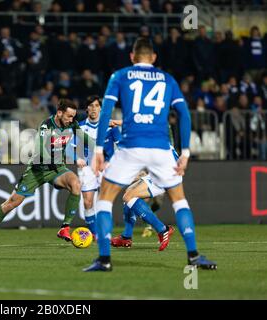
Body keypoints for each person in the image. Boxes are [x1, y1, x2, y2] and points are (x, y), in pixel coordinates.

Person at [84, 38, 217, 271]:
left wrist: (97, 151)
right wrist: (185, 152)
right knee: (180, 201)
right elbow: (184, 115)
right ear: (154, 57)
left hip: (131, 146)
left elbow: (105, 112)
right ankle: (194, 256)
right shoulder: (168, 79)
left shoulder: (120, 76)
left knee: (104, 199)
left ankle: (104, 259)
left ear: (132, 57)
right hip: (161, 149)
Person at [0, 99, 91, 249]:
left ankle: (65, 228)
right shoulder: (46, 125)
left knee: (75, 184)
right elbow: (41, 149)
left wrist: (100, 151)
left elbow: (86, 139)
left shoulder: (72, 124)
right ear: (59, 113)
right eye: (69, 116)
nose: (71, 120)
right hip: (37, 170)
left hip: (57, 169)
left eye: (73, 116)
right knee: (11, 203)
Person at [70, 95, 121, 238]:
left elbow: (121, 147)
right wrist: (76, 159)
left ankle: (105, 232)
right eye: (91, 106)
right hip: (87, 167)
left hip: (106, 167)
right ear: (87, 108)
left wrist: (109, 162)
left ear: (101, 108)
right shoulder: (80, 127)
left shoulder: (110, 126)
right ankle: (95, 234)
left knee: (105, 201)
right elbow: (69, 148)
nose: (93, 109)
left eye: (96, 106)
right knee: (87, 201)